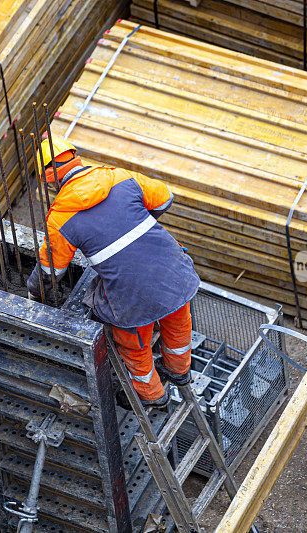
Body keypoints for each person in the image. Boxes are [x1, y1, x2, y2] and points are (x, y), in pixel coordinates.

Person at [27, 138, 200, 408]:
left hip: (133, 296)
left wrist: (34, 289)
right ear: (77, 159)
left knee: (134, 344)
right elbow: (165, 198)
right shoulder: (119, 177)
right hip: (173, 270)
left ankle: (153, 396)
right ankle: (178, 371)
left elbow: (52, 269)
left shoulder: (60, 216)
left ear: (48, 178)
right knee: (177, 322)